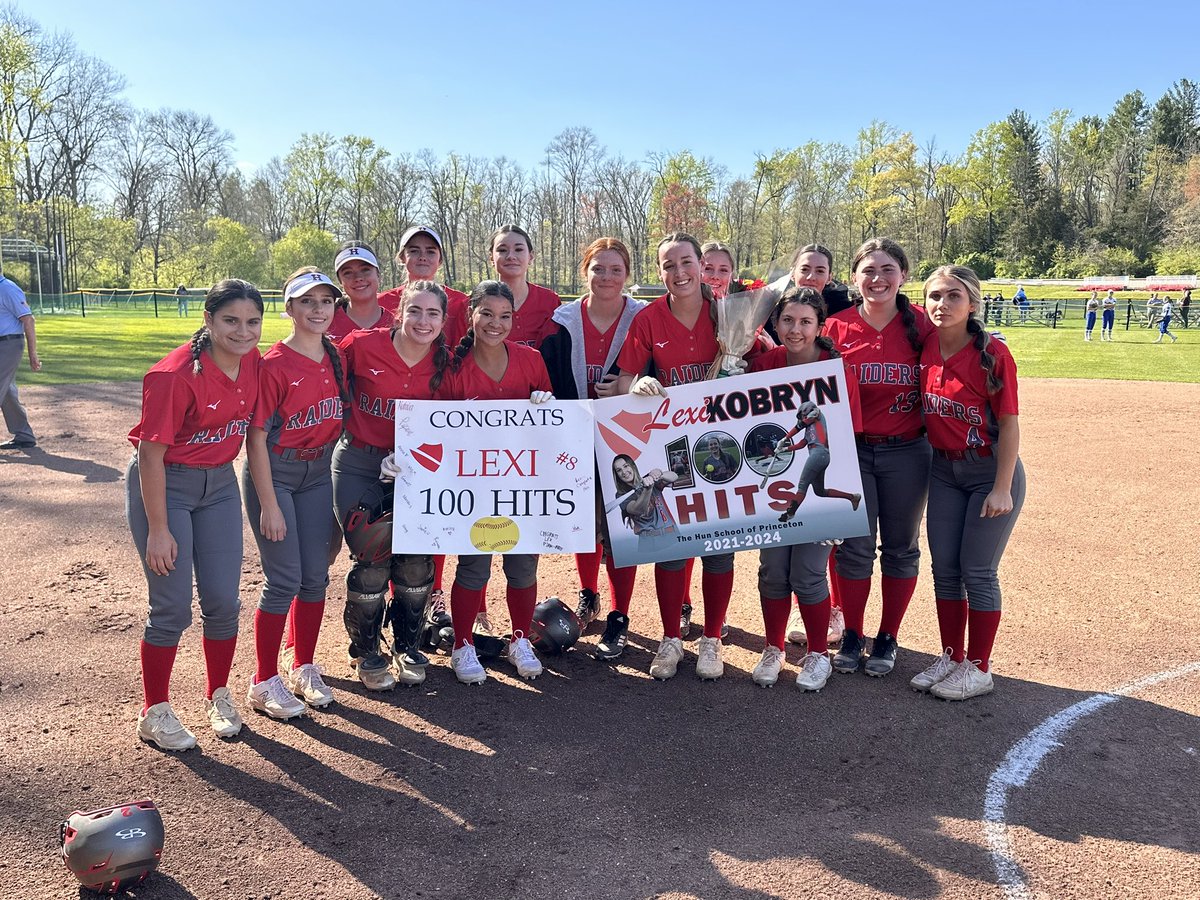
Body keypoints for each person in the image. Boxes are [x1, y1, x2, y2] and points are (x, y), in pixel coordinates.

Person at [126, 279, 264, 751]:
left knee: (224, 602)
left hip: (220, 484)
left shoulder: (254, 363)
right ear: (208, 320)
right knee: (171, 606)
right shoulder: (174, 374)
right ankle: (155, 710)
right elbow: (149, 454)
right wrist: (158, 529)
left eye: (252, 321)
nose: (242, 332)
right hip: (167, 484)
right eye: (230, 320)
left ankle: (218, 695)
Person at [616, 232, 742, 682]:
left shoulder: (728, 313)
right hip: (674, 442)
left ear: (700, 263)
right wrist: (636, 386)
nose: (679, 272)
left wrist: (747, 368)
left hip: (725, 441)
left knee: (719, 547)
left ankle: (711, 639)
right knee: (673, 545)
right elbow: (624, 378)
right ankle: (671, 637)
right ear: (659, 272)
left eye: (686, 262)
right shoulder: (649, 318)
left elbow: (767, 367)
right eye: (668, 265)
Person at [331, 280, 453, 692]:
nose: (423, 320)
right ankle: (366, 649)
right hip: (361, 462)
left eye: (433, 313)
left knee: (416, 561)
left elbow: (469, 418)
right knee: (373, 556)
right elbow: (324, 386)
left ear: (443, 320)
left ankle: (408, 644)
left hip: (418, 468)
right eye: (414, 311)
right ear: (399, 311)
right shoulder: (360, 345)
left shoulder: (446, 362)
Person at [823, 237, 934, 678]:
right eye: (868, 270)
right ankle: (852, 632)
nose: (878, 278)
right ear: (854, 278)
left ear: (903, 275)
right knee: (854, 548)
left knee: (901, 549)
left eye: (888, 269)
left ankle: (888, 635)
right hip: (852, 452)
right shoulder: (835, 327)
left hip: (908, 449)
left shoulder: (923, 326)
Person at [912, 265, 1024, 700]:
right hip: (944, 469)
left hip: (988, 471)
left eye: (953, 296)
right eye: (935, 296)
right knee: (945, 570)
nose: (943, 304)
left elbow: (1011, 425)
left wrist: (1002, 486)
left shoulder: (992, 354)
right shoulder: (925, 346)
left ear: (973, 303)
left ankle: (979, 668)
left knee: (977, 571)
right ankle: (952, 656)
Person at [242, 269, 347, 718]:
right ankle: (263, 680)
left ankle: (303, 664)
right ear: (289, 309)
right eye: (308, 301)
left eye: (326, 301)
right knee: (283, 579)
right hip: (277, 473)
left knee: (315, 577)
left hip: (319, 471)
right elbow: (256, 437)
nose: (319, 309)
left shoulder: (336, 356)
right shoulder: (274, 363)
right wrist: (268, 502)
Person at [749, 287, 863, 690]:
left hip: (823, 464)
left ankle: (818, 654)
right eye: (787, 321)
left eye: (805, 322)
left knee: (809, 574)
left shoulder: (835, 370)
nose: (795, 330)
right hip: (772, 488)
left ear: (820, 326)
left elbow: (851, 438)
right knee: (773, 572)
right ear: (775, 324)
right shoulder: (763, 365)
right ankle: (773, 648)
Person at [442, 280, 555, 685]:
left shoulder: (530, 360)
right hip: (473, 485)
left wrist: (547, 405)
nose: (495, 323)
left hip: (522, 483)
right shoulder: (453, 366)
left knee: (523, 567)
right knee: (474, 567)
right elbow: (436, 432)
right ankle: (462, 644)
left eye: (505, 316)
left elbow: (551, 429)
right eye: (486, 314)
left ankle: (520, 639)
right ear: (470, 316)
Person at [540, 238, 646, 659]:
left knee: (623, 526)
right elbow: (548, 376)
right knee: (584, 522)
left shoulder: (641, 317)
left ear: (628, 274)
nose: (606, 277)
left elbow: (651, 372)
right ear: (584, 271)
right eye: (598, 268)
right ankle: (589, 593)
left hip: (627, 436)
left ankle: (620, 614)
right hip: (575, 435)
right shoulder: (562, 321)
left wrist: (626, 389)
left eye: (615, 269)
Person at [377, 225, 471, 628]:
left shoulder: (461, 303)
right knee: (378, 535)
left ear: (440, 258)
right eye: (413, 250)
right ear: (401, 258)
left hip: (434, 425)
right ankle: (382, 605)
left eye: (430, 250)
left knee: (433, 517)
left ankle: (431, 599)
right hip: (380, 434)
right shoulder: (380, 304)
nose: (421, 257)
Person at [489, 223, 561, 348]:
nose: (511, 256)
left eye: (518, 249)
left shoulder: (550, 301)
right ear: (491, 258)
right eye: (502, 250)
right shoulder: (476, 303)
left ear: (531, 256)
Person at [0, 272, 40, 450]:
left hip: (9, 344)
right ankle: (24, 435)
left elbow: (28, 320)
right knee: (6, 391)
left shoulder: (8, 288)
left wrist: (33, 354)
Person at [328, 242, 398, 342]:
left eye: (365, 270)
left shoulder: (397, 326)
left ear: (378, 274)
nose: (358, 278)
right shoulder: (326, 323)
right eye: (348, 272)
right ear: (340, 281)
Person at [611, 454, 680, 551]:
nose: (624, 472)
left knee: (675, 565)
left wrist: (659, 473)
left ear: (633, 466)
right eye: (619, 470)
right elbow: (638, 509)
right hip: (648, 542)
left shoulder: (649, 479)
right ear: (616, 475)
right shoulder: (621, 495)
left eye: (626, 466)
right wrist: (647, 489)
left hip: (671, 536)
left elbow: (674, 476)